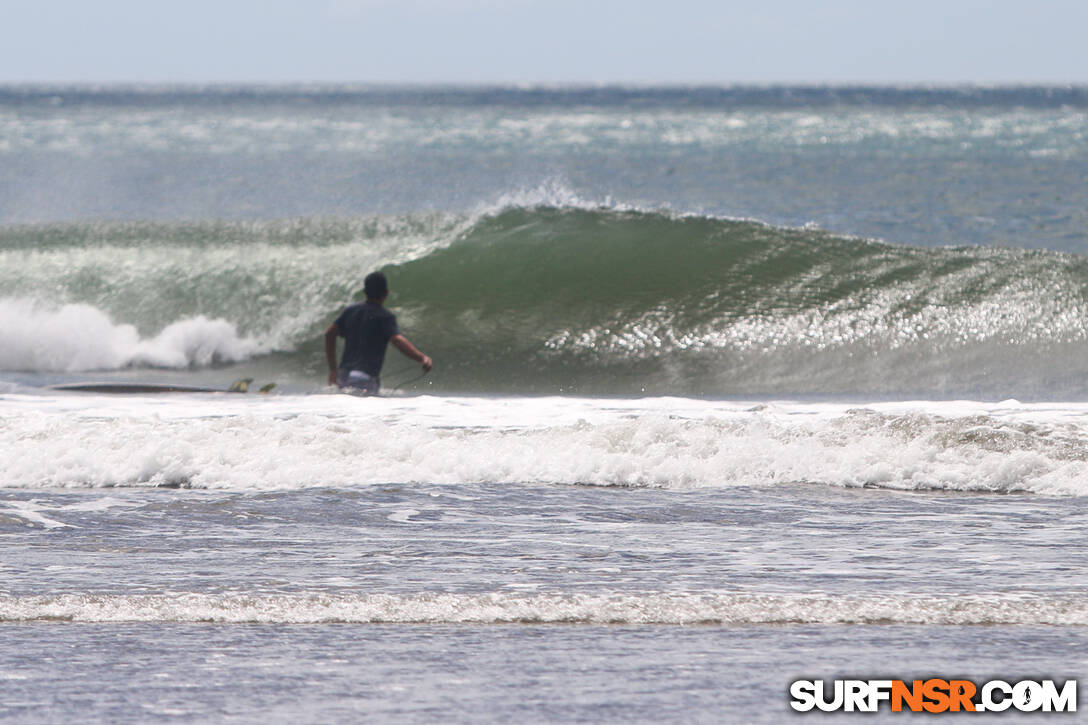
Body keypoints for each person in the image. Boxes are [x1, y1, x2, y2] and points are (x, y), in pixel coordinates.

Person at [324, 271, 432, 394]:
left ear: (364, 292)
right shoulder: (385, 316)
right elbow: (397, 340)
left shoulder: (351, 311)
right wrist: (422, 357)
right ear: (386, 293)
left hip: (344, 376)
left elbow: (329, 334)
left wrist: (333, 369)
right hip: (365, 378)